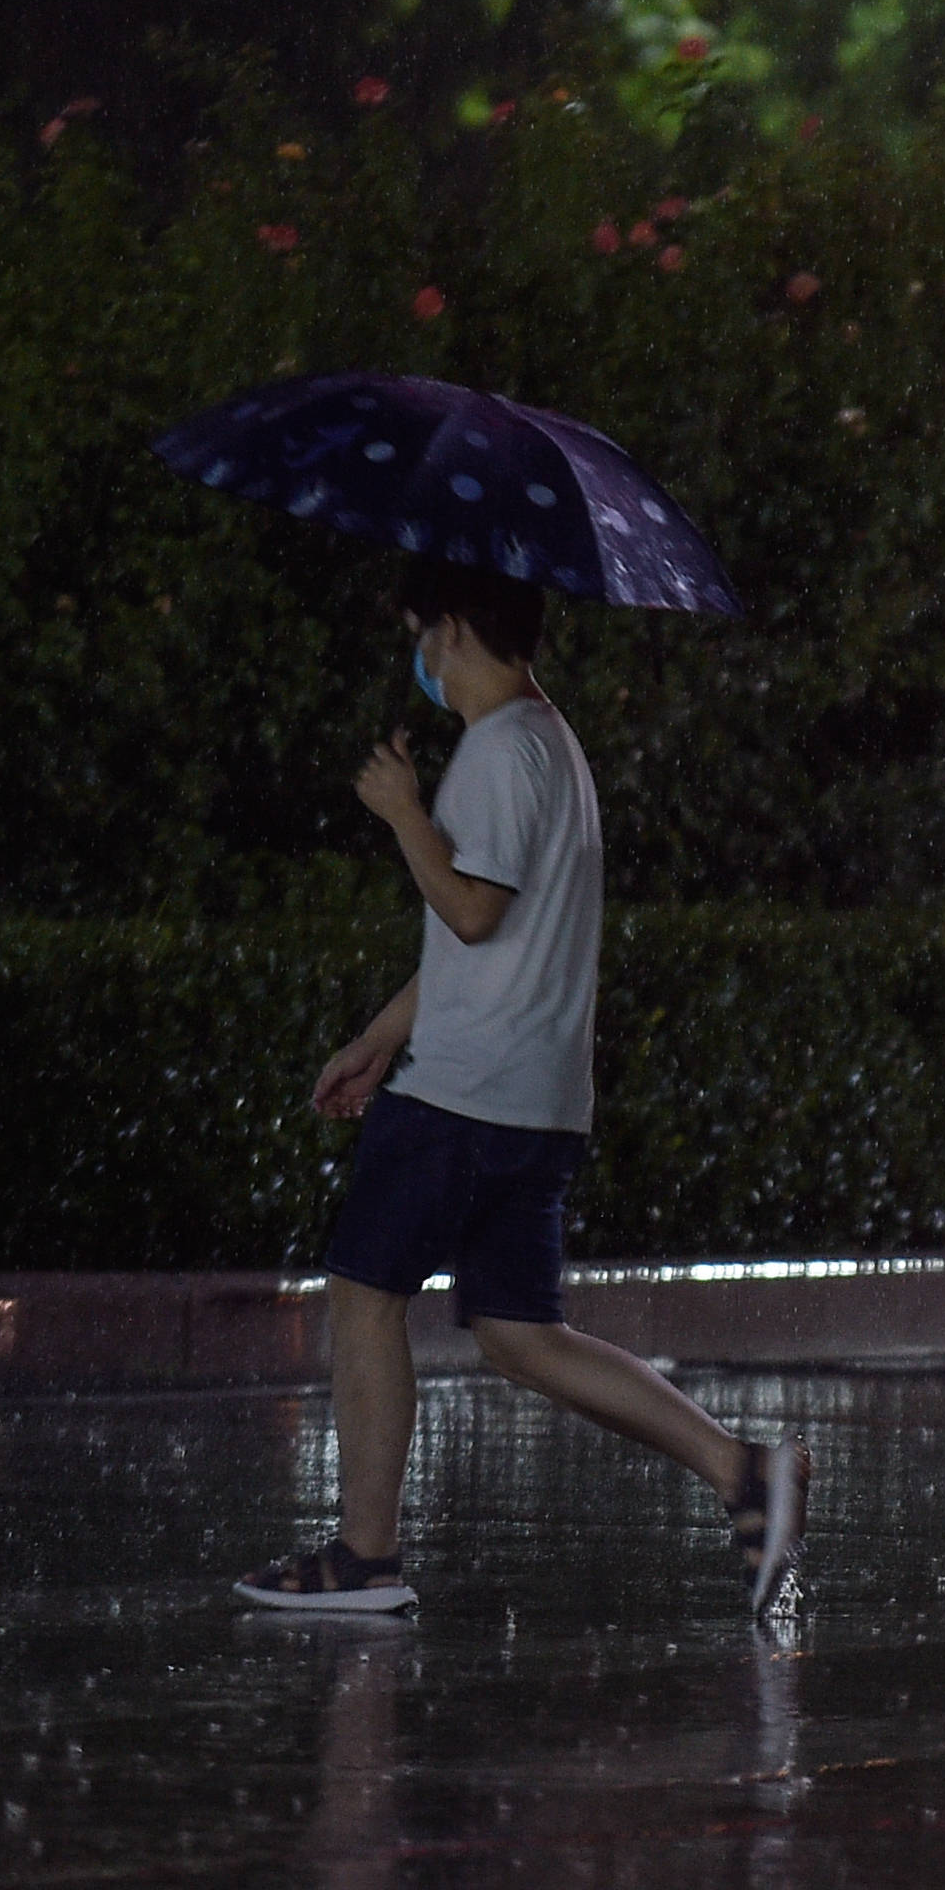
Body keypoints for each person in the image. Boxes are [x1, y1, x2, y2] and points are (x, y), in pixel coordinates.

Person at [236, 561, 806, 1618]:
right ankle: (742, 1470)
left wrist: (404, 813)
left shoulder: (498, 752)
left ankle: (364, 1555)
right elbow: (487, 940)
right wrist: (377, 1038)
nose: (421, 658)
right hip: (535, 1098)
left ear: (455, 628)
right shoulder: (553, 745)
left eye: (421, 631)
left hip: (463, 1096)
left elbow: (472, 911)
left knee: (364, 1294)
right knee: (517, 1332)